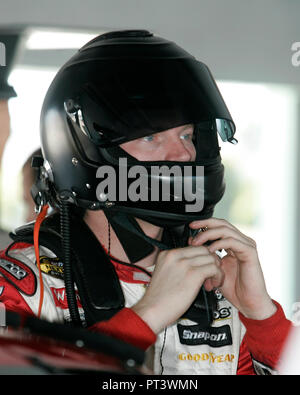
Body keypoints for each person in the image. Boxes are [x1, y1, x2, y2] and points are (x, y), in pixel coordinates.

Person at [0, 30, 291, 375]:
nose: (183, 154)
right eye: (152, 136)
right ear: (90, 150)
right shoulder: (24, 285)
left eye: (186, 134)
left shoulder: (219, 288)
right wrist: (145, 318)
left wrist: (263, 319)